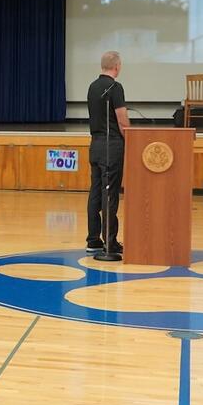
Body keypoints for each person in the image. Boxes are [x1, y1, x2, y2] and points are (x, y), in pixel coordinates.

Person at [86, 50, 130, 255]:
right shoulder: (115, 87)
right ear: (117, 66)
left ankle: (93, 240)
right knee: (110, 194)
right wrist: (131, 139)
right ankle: (110, 243)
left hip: (95, 144)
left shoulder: (92, 86)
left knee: (95, 192)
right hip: (111, 146)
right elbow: (122, 120)